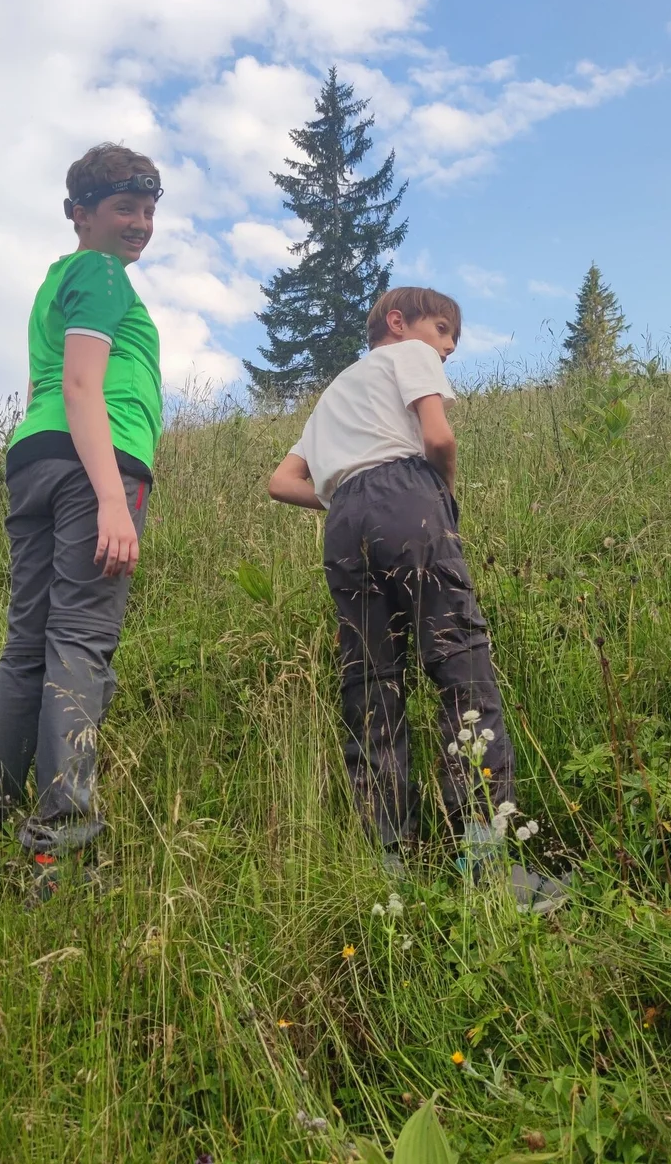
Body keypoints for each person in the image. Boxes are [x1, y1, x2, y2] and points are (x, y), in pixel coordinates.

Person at [0, 143, 162, 903]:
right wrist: (112, 497)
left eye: (149, 209)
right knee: (78, 644)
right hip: (96, 464)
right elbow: (83, 384)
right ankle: (60, 848)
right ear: (79, 213)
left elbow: (40, 388)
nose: (141, 224)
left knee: (27, 652)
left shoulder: (56, 282)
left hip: (37, 461)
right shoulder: (101, 274)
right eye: (125, 207)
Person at [267, 287, 563, 913]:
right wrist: (441, 500)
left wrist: (350, 502)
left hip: (343, 520)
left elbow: (281, 482)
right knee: (460, 663)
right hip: (409, 496)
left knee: (371, 683)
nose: (448, 346)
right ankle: (486, 866)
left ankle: (392, 867)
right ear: (398, 323)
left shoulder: (335, 394)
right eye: (442, 330)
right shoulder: (408, 355)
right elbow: (439, 438)